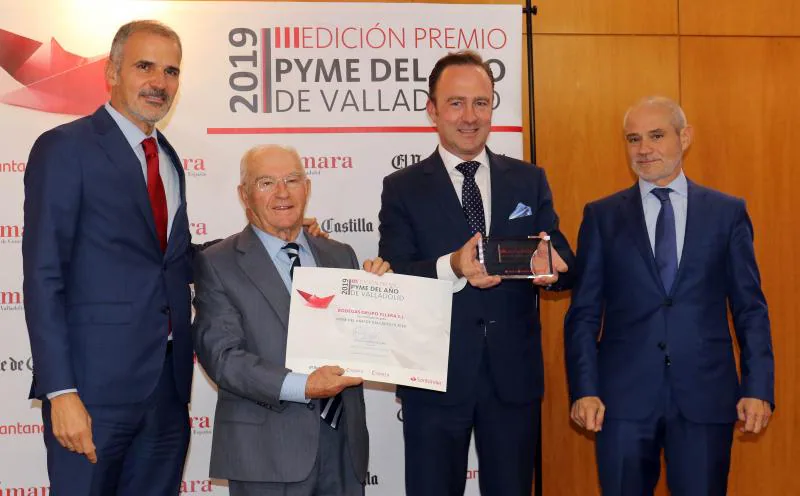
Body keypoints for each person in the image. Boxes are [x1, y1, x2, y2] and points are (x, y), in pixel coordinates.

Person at [22, 21, 326, 495]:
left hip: (166, 394)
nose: (159, 82)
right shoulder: (66, 148)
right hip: (92, 393)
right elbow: (43, 276)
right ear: (111, 72)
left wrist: (270, 234)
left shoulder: (166, 156)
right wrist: (60, 392)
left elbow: (170, 260)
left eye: (171, 71)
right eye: (145, 67)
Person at [377, 50, 575, 496]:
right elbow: (397, 274)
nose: (470, 116)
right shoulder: (402, 187)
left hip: (512, 380)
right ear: (432, 111)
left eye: (481, 103)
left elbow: (560, 256)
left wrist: (553, 270)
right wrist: (452, 265)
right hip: (433, 379)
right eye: (456, 103)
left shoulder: (528, 179)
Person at [565, 96, 774, 495]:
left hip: (705, 395)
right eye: (633, 139)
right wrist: (585, 388)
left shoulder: (726, 213)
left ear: (685, 137)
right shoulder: (602, 216)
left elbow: (750, 308)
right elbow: (584, 314)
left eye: (656, 136)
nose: (644, 149)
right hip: (621, 401)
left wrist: (757, 388)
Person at [192, 144, 389, 496]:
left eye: (292, 180)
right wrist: (304, 386)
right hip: (266, 456)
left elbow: (361, 342)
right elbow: (223, 358)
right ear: (244, 194)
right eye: (266, 182)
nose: (282, 192)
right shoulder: (218, 263)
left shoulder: (340, 255)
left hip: (344, 450)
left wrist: (382, 297)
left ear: (307, 188)